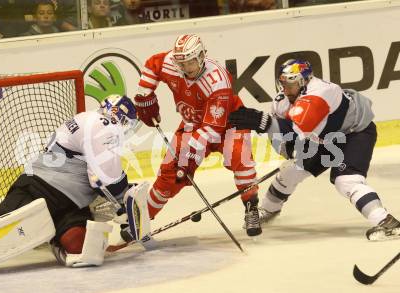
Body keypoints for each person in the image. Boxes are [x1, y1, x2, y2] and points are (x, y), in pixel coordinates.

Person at [228, 59, 400, 241]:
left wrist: (266, 122)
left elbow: (297, 127)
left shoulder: (322, 92)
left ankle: (386, 221)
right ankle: (269, 210)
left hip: (354, 133)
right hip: (323, 139)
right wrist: (289, 150)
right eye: (283, 83)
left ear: (304, 81)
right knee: (289, 171)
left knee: (346, 181)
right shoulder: (281, 101)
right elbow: (283, 141)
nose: (286, 89)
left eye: (291, 84)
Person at [134, 34, 261, 237]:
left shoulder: (217, 80)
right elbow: (152, 65)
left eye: (190, 62)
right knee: (170, 173)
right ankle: (141, 221)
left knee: (240, 158)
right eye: (181, 63)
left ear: (201, 56)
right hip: (193, 124)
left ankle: (251, 208)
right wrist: (144, 95)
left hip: (229, 124)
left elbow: (212, 129)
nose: (185, 68)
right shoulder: (171, 63)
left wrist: (187, 151)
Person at [0, 94, 141, 266]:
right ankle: (44, 230)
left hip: (70, 202)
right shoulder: (105, 125)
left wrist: (124, 204)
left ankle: (52, 236)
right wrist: (127, 207)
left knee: (83, 249)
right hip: (40, 187)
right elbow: (106, 181)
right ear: (122, 118)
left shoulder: (88, 118)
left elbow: (102, 178)